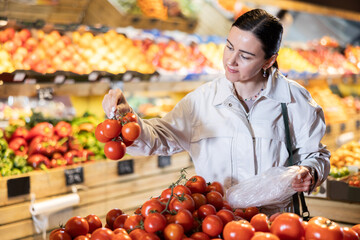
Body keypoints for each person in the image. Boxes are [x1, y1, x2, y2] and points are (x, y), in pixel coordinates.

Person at [102, 9, 330, 214]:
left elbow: (317, 155)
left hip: (276, 225)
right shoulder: (202, 101)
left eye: (245, 56)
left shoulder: (294, 101)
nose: (231, 60)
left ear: (269, 61)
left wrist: (311, 172)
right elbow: (159, 137)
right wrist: (127, 118)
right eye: (229, 47)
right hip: (217, 222)